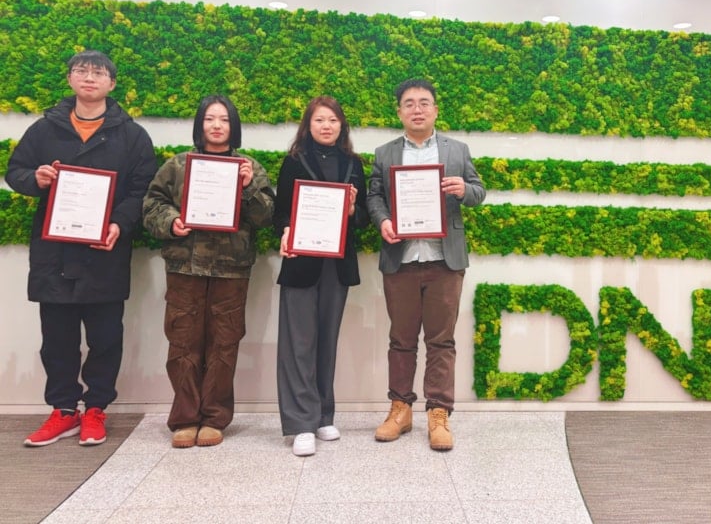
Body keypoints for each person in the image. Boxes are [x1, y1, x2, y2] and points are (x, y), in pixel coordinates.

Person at [6, 49, 158, 447]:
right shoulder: (45, 130)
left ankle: (95, 409)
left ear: (112, 82)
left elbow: (143, 189)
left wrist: (119, 223)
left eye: (98, 72)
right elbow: (15, 171)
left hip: (104, 250)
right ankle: (63, 410)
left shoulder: (132, 136)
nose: (89, 77)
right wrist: (35, 179)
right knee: (57, 338)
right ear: (70, 78)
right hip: (54, 252)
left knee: (106, 337)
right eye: (81, 70)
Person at [142, 94, 274, 448]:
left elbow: (266, 217)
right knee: (183, 341)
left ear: (234, 126)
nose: (217, 125)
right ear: (200, 124)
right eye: (210, 119)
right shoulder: (177, 165)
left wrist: (248, 187)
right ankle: (185, 418)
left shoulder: (250, 167)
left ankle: (215, 417)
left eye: (224, 119)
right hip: (184, 266)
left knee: (224, 344)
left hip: (231, 270)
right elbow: (152, 204)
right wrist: (172, 222)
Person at [366, 78, 485, 451]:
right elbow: (374, 196)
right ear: (399, 111)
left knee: (441, 340)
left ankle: (439, 413)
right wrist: (383, 220)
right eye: (409, 103)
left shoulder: (457, 150)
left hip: (444, 261)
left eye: (423, 102)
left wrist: (464, 191)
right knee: (401, 340)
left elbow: (479, 191)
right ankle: (400, 409)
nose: (417, 109)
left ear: (435, 109)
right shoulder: (384, 153)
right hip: (401, 260)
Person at [274, 95, 369, 456]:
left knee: (327, 341)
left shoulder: (353, 164)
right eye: (319, 120)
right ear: (308, 125)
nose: (326, 126)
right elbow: (281, 212)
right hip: (301, 261)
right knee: (298, 344)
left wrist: (352, 210)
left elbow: (363, 217)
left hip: (337, 264)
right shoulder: (293, 161)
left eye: (332, 120)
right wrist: (285, 230)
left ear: (342, 125)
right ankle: (301, 422)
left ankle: (323, 415)